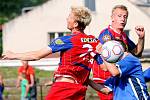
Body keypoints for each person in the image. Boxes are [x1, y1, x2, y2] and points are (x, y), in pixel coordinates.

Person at [2, 6, 100, 99]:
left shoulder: (67, 40)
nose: (67, 18)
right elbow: (103, 65)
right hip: (80, 90)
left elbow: (36, 55)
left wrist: (13, 55)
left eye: (70, 17)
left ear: (75, 24)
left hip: (63, 88)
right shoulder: (94, 41)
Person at [91, 5, 145, 100]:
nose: (123, 19)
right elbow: (103, 64)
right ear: (112, 18)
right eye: (119, 16)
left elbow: (137, 53)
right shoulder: (107, 34)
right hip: (105, 80)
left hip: (116, 77)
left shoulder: (123, 35)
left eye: (125, 17)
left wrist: (141, 38)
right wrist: (104, 64)